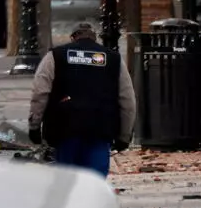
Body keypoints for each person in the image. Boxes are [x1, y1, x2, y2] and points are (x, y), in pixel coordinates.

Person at [28, 22, 137, 177]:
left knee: (66, 180)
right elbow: (127, 100)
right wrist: (124, 135)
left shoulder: (55, 56)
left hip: (64, 128)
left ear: (73, 38)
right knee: (95, 180)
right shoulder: (114, 59)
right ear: (95, 38)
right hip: (101, 127)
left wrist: (34, 125)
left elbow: (40, 93)